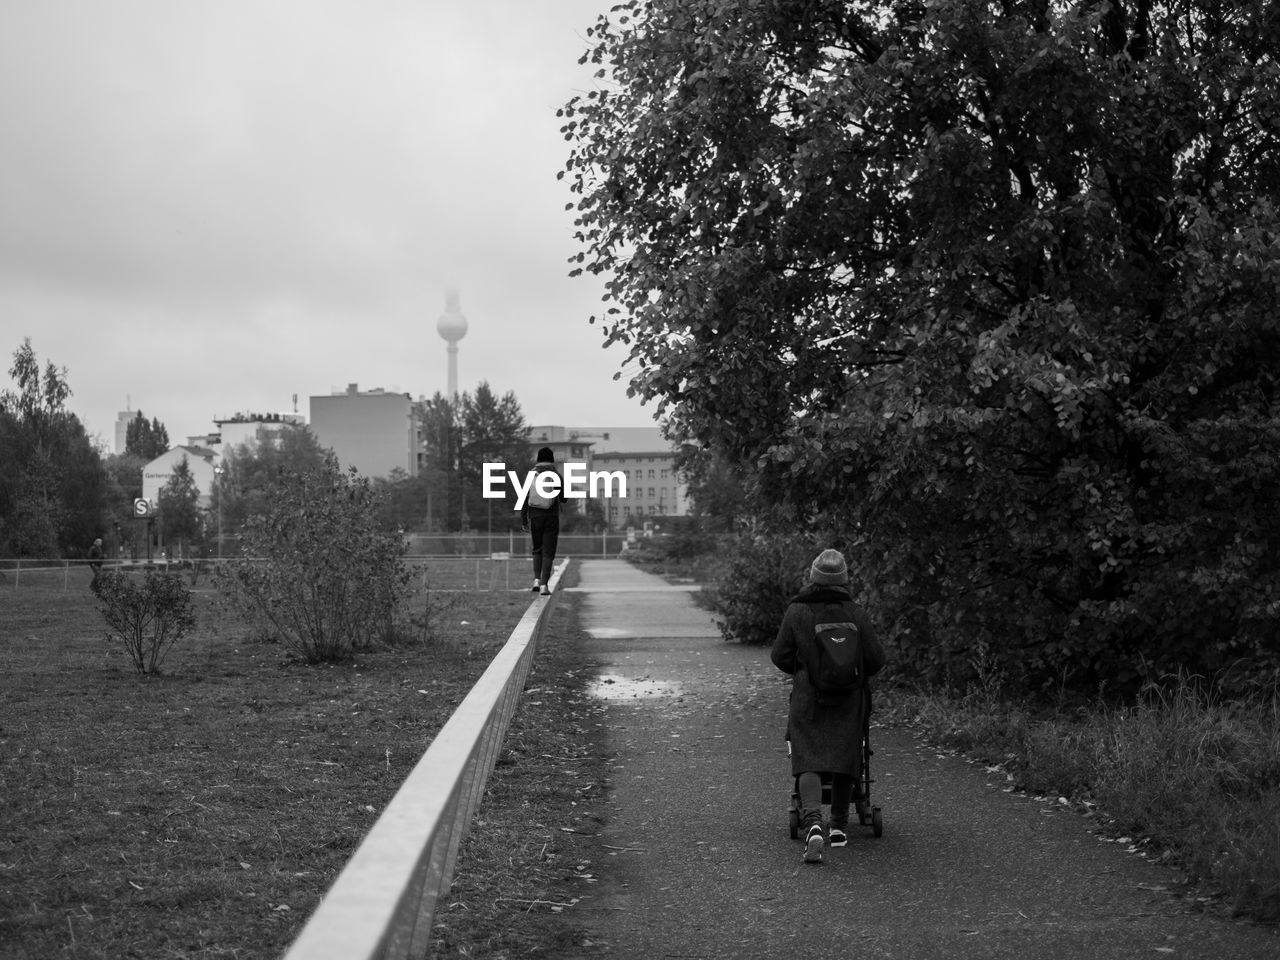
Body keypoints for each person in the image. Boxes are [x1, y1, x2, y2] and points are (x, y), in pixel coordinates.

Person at [771, 548, 885, 865]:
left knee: (807, 757)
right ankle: (837, 825)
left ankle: (812, 822)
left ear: (814, 576)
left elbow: (779, 656)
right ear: (844, 579)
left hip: (808, 696)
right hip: (849, 698)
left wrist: (804, 669)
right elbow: (877, 659)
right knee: (844, 755)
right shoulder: (856, 613)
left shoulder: (797, 612)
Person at [521, 447, 565, 596]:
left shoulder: (531, 474)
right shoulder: (556, 475)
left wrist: (524, 520)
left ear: (538, 459)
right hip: (551, 517)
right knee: (548, 552)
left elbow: (524, 499)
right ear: (551, 459)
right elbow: (564, 499)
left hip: (534, 516)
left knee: (537, 549)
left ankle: (535, 579)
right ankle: (544, 585)